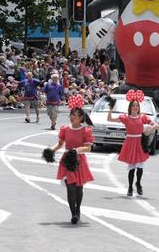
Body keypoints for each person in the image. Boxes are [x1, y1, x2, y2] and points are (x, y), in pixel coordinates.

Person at [48, 94, 94, 224]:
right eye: (71, 114)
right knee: (70, 187)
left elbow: (88, 148)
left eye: (75, 115)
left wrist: (77, 150)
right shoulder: (65, 129)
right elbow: (60, 144)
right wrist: (50, 151)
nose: (72, 117)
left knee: (79, 188)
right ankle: (73, 213)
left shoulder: (86, 131)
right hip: (67, 160)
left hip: (79, 161)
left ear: (80, 118)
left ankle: (78, 209)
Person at [107, 90, 158, 197]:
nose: (135, 107)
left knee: (140, 165)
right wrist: (110, 110)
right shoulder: (125, 118)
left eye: (137, 106)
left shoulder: (142, 117)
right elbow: (110, 119)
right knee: (132, 166)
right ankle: (130, 187)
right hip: (130, 143)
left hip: (139, 143)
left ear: (139, 108)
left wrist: (150, 128)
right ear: (130, 107)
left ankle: (138, 183)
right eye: (133, 106)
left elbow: (155, 124)